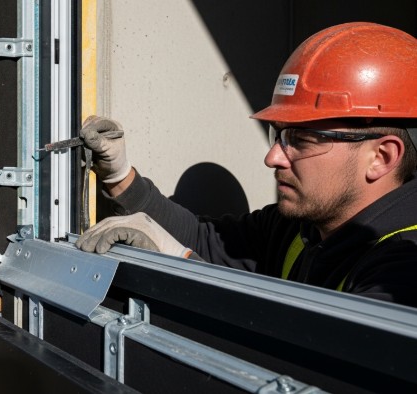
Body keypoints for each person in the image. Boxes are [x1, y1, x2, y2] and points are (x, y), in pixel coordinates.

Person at [76, 22, 417, 308]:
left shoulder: (402, 270)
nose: (273, 157)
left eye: (302, 140)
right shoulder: (301, 228)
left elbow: (311, 368)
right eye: (278, 135)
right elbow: (206, 241)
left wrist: (182, 264)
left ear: (382, 158)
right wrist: (120, 176)